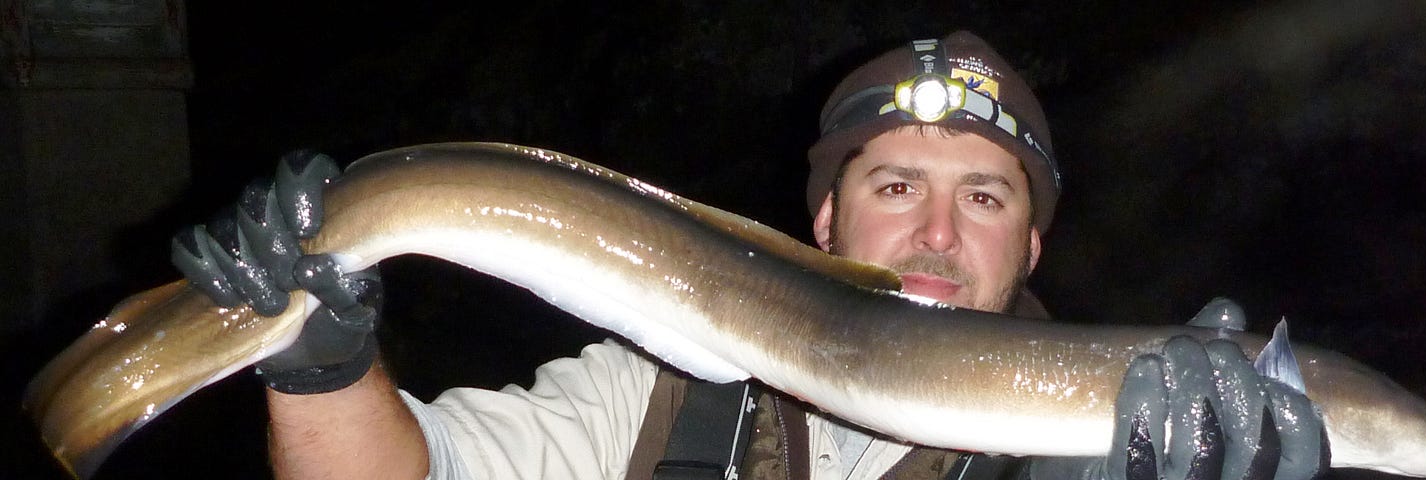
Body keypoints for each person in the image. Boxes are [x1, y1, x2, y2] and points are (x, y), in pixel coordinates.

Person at [174, 31, 1325, 480]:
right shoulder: (661, 399)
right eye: (891, 187)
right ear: (822, 221)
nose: (935, 233)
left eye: (981, 195)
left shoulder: (1127, 438)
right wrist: (315, 365)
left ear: (1031, 240)